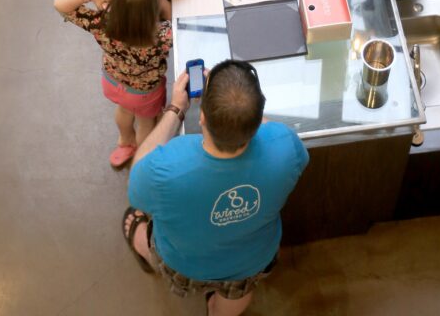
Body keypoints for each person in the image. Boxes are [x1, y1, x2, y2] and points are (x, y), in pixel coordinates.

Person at [123, 60, 309, 315]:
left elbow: (136, 184)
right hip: (251, 259)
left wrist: (176, 108)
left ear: (202, 117)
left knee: (152, 242)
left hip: (185, 263)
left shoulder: (165, 167)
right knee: (237, 295)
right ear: (258, 119)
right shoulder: (285, 147)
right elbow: (274, 132)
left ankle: (143, 247)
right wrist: (238, 102)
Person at [54, 0, 173, 169]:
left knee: (124, 111)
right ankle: (141, 156)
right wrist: (161, 0)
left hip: (112, 83)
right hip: (144, 93)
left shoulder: (102, 23)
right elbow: (173, 17)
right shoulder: (162, 36)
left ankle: (125, 141)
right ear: (153, 10)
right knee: (145, 122)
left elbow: (60, 4)